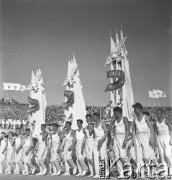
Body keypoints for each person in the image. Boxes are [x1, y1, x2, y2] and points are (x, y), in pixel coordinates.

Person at [132, 102, 155, 178]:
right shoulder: (135, 118)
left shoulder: (145, 117)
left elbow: (151, 128)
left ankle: (151, 170)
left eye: (135, 109)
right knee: (138, 156)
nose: (134, 111)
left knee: (146, 156)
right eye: (134, 109)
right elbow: (133, 129)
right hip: (137, 136)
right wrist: (133, 139)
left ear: (139, 109)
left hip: (145, 135)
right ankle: (141, 174)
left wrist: (151, 138)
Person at [112, 107, 131, 178]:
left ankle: (129, 169)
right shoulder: (115, 120)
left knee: (122, 155)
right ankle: (121, 173)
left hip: (122, 137)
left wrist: (125, 140)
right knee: (117, 157)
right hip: (115, 138)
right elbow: (110, 129)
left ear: (119, 112)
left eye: (115, 113)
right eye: (114, 113)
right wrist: (112, 121)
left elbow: (128, 130)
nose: (114, 114)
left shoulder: (124, 119)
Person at [154, 108, 172, 176]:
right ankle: (165, 170)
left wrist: (171, 138)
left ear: (161, 113)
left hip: (167, 137)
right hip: (159, 138)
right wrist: (156, 140)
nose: (157, 115)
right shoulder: (156, 122)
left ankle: (171, 168)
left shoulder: (166, 120)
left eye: (159, 113)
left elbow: (171, 129)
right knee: (161, 155)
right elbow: (155, 132)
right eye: (157, 113)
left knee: (167, 154)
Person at [92, 112, 109, 178]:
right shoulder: (94, 124)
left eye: (94, 117)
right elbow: (93, 134)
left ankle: (104, 172)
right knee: (95, 156)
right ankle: (97, 173)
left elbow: (106, 132)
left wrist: (102, 140)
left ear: (97, 116)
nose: (93, 118)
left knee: (102, 155)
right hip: (95, 140)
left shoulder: (102, 123)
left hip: (102, 139)